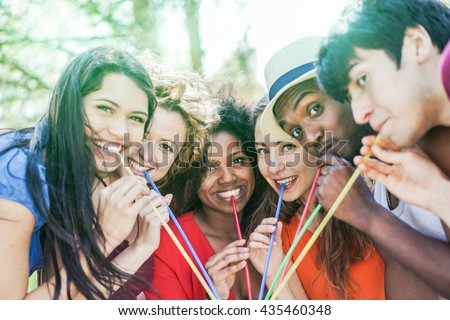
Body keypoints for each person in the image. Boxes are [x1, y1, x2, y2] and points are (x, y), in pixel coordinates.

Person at [0, 46, 173, 299]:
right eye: (105, 108)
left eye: (135, 118)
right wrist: (107, 235)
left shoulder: (68, 174)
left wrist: (142, 246)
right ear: (68, 104)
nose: (119, 131)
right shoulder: (17, 176)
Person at [316, 0, 450, 298]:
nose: (360, 113)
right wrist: (439, 195)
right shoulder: (427, 138)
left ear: (416, 44)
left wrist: (369, 215)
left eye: (362, 79)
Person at [250, 93, 385, 299]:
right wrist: (274, 273)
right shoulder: (277, 236)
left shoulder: (373, 199)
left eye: (287, 147)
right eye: (262, 151)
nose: (274, 166)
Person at [112, 60, 220, 299]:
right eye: (145, 133)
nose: (149, 154)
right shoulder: (81, 201)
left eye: (166, 146)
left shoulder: (165, 220)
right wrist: (142, 247)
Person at [144, 98, 261, 300]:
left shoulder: (278, 230)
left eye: (238, 160)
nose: (227, 177)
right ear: (189, 175)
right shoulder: (166, 245)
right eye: (209, 167)